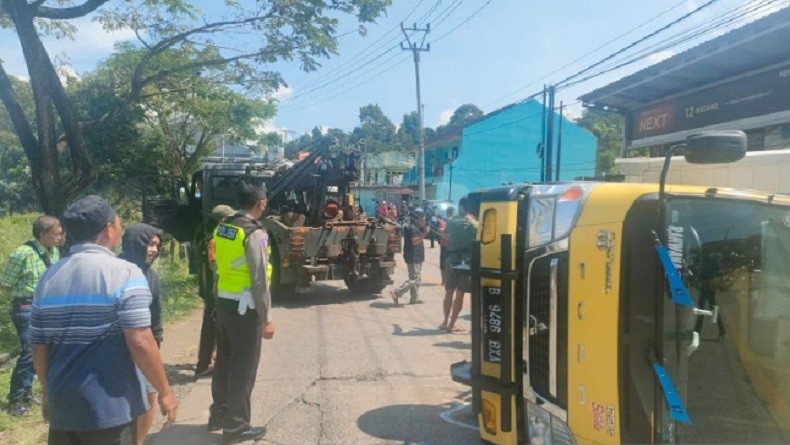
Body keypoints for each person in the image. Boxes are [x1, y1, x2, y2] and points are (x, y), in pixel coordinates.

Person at [31, 195, 177, 445]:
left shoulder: (48, 278)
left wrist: (48, 393)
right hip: (110, 408)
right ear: (109, 228)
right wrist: (164, 392)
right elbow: (140, 341)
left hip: (63, 406)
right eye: (118, 222)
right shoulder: (124, 273)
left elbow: (38, 346)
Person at [210, 184, 274, 444]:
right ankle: (236, 428)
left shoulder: (223, 228)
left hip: (224, 304)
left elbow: (218, 267)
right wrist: (266, 318)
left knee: (224, 363)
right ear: (260, 203)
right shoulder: (254, 233)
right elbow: (259, 279)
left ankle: (219, 415)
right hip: (244, 309)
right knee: (243, 369)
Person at [0, 216, 62, 417]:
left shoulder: (54, 252)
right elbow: (5, 284)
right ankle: (15, 399)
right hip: (26, 307)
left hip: (47, 306)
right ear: (42, 234)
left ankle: (27, 393)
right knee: (29, 351)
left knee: (42, 350)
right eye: (56, 234)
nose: (60, 237)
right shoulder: (22, 253)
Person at [119, 223, 164, 445]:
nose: (154, 250)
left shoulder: (151, 276)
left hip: (144, 346)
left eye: (156, 245)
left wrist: (157, 342)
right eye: (149, 244)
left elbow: (156, 313)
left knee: (150, 395)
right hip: (117, 347)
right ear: (135, 243)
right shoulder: (117, 270)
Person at [196, 205, 236, 378]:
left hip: (210, 289)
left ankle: (208, 360)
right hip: (213, 291)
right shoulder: (213, 239)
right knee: (211, 328)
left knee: (211, 326)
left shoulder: (208, 236)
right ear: (222, 220)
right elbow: (214, 267)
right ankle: (203, 365)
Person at [442, 197, 479, 333]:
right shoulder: (475, 224)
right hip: (466, 261)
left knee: (449, 292)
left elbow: (446, 236)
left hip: (451, 259)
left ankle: (445, 321)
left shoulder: (450, 221)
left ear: (461, 206)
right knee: (460, 293)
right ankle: (452, 324)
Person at [390, 207, 429, 305]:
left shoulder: (415, 227)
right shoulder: (413, 228)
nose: (424, 222)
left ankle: (414, 299)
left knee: (417, 278)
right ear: (417, 219)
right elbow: (415, 242)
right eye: (422, 220)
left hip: (417, 256)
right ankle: (397, 292)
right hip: (413, 256)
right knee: (414, 278)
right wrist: (424, 233)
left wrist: (423, 230)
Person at [439, 207, 454, 285]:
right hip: (444, 246)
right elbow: (441, 233)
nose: (451, 214)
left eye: (452, 213)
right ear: (447, 213)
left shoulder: (454, 222)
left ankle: (448, 280)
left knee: (451, 264)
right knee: (443, 264)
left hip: (452, 246)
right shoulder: (442, 222)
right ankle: (443, 281)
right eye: (450, 212)